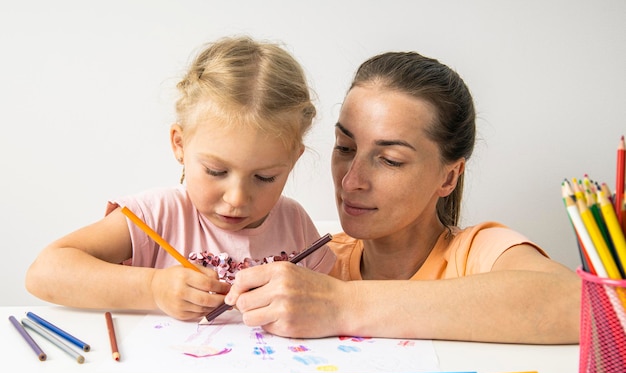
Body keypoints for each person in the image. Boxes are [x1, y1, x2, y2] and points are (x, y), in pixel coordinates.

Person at [223, 51, 581, 344]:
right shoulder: (320, 261)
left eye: (390, 160)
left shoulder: (478, 253)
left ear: (448, 176)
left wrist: (340, 304)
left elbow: (582, 305)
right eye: (345, 147)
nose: (351, 182)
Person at [25, 36, 335, 321]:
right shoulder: (157, 215)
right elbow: (45, 273)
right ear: (180, 145)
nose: (237, 198)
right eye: (216, 171)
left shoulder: (295, 223)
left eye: (265, 177)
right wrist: (153, 287)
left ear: (294, 159)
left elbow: (333, 303)